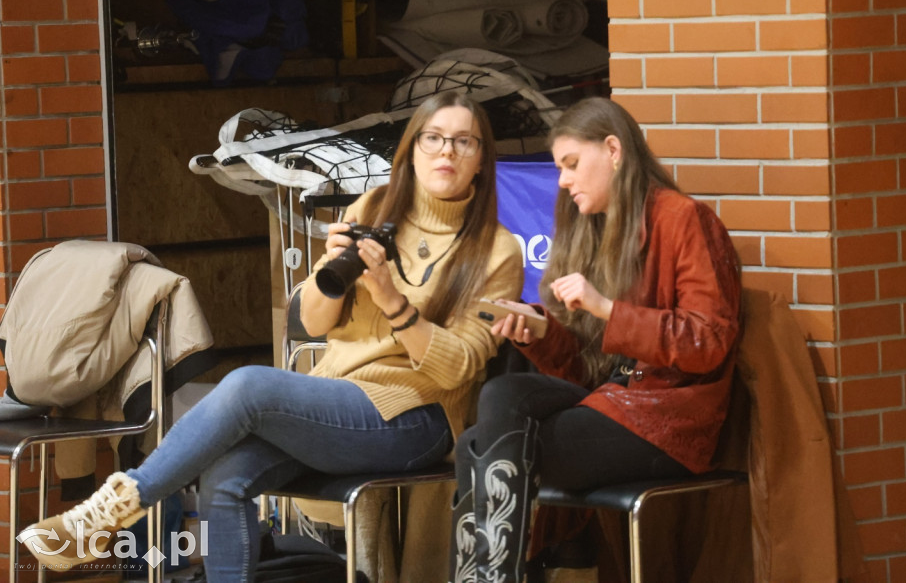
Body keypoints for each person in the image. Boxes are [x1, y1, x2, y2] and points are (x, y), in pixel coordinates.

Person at [21, 90, 524, 581]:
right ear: (411, 150)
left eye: (464, 141)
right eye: (433, 138)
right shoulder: (373, 208)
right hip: (339, 397)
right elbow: (313, 322)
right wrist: (331, 267)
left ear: (482, 160)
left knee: (249, 385)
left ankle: (108, 512)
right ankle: (111, 517)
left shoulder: (497, 251)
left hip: (418, 419)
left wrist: (392, 299)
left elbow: (459, 367)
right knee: (225, 477)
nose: (446, 152)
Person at [449, 97, 743, 583]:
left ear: (613, 150)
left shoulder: (684, 218)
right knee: (498, 401)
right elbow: (585, 371)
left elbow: (708, 340)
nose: (563, 180)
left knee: (481, 449)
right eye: (559, 168)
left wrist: (607, 308)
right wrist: (540, 333)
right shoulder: (591, 228)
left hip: (666, 418)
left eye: (571, 164)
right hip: (610, 400)